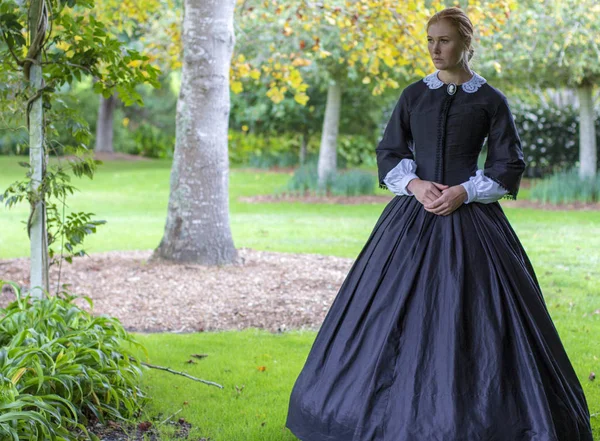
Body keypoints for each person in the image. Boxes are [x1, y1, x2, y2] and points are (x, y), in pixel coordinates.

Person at [285, 6, 594, 441]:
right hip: (412, 220)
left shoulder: (491, 100)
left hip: (474, 224)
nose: (435, 49)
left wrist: (464, 191)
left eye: (444, 40)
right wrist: (415, 185)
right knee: (389, 313)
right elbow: (390, 151)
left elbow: (509, 162)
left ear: (467, 43)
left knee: (480, 317)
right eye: (430, 40)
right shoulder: (414, 95)